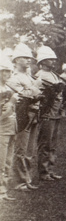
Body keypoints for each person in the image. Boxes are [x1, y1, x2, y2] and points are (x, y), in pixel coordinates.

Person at [6, 43, 41, 192]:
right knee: (20, 148)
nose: (29, 60)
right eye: (25, 58)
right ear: (16, 60)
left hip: (33, 114)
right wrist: (33, 92)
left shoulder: (29, 76)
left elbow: (36, 94)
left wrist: (33, 92)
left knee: (30, 150)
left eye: (30, 58)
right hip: (22, 115)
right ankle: (19, 181)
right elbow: (25, 96)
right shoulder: (13, 78)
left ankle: (27, 179)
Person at [34, 46, 65, 181]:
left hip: (56, 112)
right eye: (50, 59)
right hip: (47, 113)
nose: (53, 61)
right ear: (43, 61)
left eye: (53, 59)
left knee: (53, 144)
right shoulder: (40, 76)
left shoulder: (53, 74)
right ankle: (43, 171)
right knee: (45, 144)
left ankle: (50, 169)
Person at [0, 54, 17, 201]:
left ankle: (4, 190)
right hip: (2, 129)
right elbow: (2, 114)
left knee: (8, 161)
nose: (7, 74)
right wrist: (11, 102)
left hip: (11, 128)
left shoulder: (7, 87)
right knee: (1, 160)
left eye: (8, 71)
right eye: (4, 71)